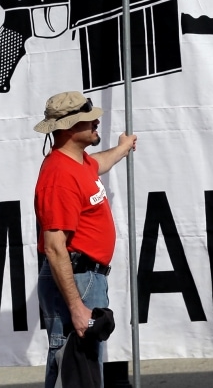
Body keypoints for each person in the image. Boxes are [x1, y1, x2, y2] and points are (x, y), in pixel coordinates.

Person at [33, 92, 136, 388]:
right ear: (67, 128)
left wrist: (122, 148)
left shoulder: (78, 163)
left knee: (83, 368)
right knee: (72, 367)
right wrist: (77, 308)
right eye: (87, 119)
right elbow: (54, 248)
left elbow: (99, 163)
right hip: (77, 279)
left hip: (86, 278)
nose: (96, 122)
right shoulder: (59, 175)